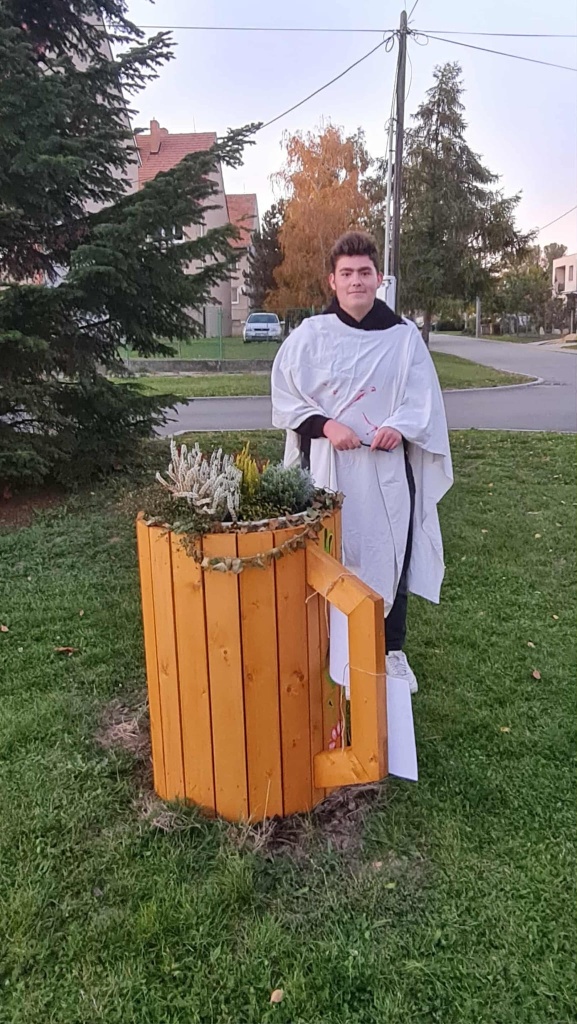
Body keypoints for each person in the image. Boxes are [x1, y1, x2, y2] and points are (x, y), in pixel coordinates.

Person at [271, 230, 453, 698]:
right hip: (328, 467)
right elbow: (286, 396)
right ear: (332, 281)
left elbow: (423, 399)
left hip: (384, 470)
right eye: (347, 273)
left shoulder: (403, 338)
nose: (356, 281)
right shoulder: (310, 336)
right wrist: (327, 426)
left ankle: (390, 649)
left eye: (365, 273)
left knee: (390, 552)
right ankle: (330, 642)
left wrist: (401, 426)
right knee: (330, 552)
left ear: (378, 279)